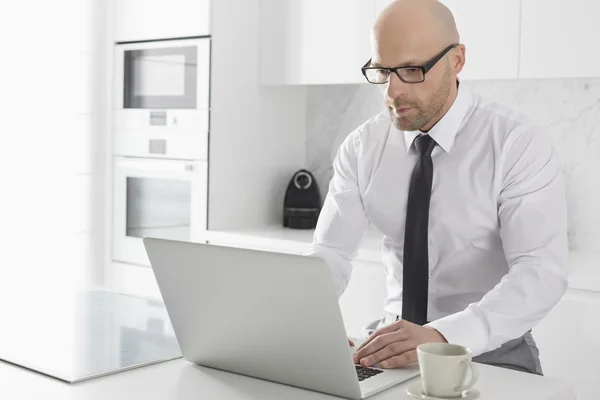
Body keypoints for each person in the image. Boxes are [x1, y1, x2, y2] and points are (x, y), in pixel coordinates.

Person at [305, 0, 568, 375]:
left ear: (457, 60)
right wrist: (297, 319)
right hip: (392, 349)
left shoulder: (516, 143)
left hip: (488, 352)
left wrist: (442, 337)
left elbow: (540, 271)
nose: (393, 91)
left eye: (412, 69)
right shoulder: (363, 147)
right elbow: (330, 252)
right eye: (383, 70)